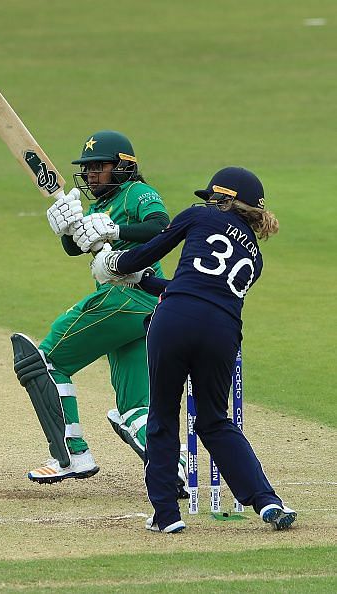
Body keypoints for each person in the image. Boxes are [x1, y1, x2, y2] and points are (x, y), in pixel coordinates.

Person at [90, 166, 298, 533]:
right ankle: (268, 502)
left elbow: (145, 255)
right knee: (215, 421)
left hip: (174, 322)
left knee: (163, 416)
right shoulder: (256, 259)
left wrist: (112, 264)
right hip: (222, 333)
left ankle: (167, 516)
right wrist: (146, 280)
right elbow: (199, 289)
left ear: (225, 199)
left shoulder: (199, 215)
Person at [11, 130, 188, 496]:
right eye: (87, 167)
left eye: (99, 166)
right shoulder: (95, 207)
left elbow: (162, 227)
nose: (91, 173)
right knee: (135, 407)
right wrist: (67, 226)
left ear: (123, 166)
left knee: (44, 363)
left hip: (126, 298)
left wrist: (115, 227)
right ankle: (175, 472)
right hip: (144, 313)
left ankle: (73, 456)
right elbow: (75, 249)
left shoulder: (138, 193)